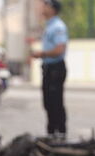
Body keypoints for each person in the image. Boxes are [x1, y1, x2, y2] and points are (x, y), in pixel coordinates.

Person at [31, 0, 69, 137]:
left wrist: (42, 54)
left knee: (55, 102)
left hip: (55, 68)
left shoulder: (57, 27)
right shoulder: (49, 26)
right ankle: (52, 132)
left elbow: (60, 49)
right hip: (48, 68)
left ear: (53, 9)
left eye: (46, 5)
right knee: (48, 102)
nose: (43, 7)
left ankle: (60, 132)